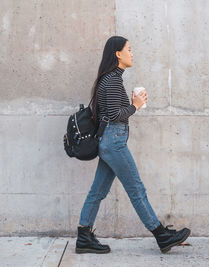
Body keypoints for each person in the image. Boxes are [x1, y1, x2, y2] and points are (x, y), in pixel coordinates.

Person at [75, 36, 191, 254]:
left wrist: (132, 103)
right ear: (118, 54)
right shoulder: (112, 79)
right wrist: (136, 105)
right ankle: (161, 236)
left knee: (97, 191)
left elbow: (112, 111)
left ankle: (84, 238)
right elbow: (114, 115)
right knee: (137, 190)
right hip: (114, 143)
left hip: (110, 142)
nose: (132, 53)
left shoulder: (111, 79)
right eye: (129, 49)